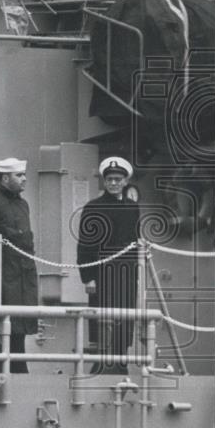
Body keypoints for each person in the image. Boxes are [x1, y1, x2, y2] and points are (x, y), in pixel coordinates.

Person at [77, 156, 141, 375]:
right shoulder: (93, 207)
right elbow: (85, 245)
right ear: (104, 182)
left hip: (127, 272)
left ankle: (121, 361)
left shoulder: (133, 208)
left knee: (125, 316)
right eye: (110, 179)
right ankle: (102, 362)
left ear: (125, 181)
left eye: (117, 179)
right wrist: (88, 277)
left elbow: (135, 240)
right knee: (103, 317)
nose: (113, 183)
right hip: (102, 272)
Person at [0, 157, 38, 373]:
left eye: (23, 175)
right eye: (19, 175)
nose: (24, 179)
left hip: (21, 280)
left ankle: (19, 374)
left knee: (18, 335)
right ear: (5, 178)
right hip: (1, 282)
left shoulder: (23, 204)